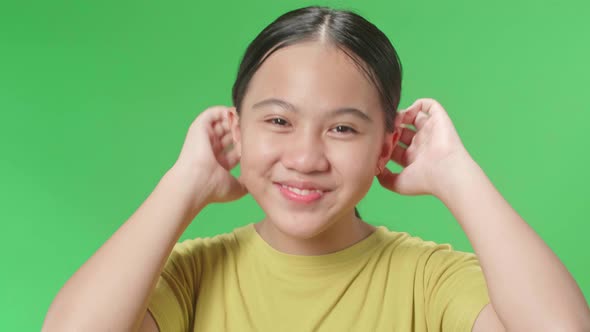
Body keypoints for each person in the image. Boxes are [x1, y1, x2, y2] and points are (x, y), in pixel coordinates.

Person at [42, 6, 590, 332]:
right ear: (236, 129)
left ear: (387, 145)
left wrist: (457, 174)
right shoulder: (188, 277)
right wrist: (181, 185)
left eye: (343, 128)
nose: (305, 158)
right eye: (278, 121)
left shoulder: (429, 280)